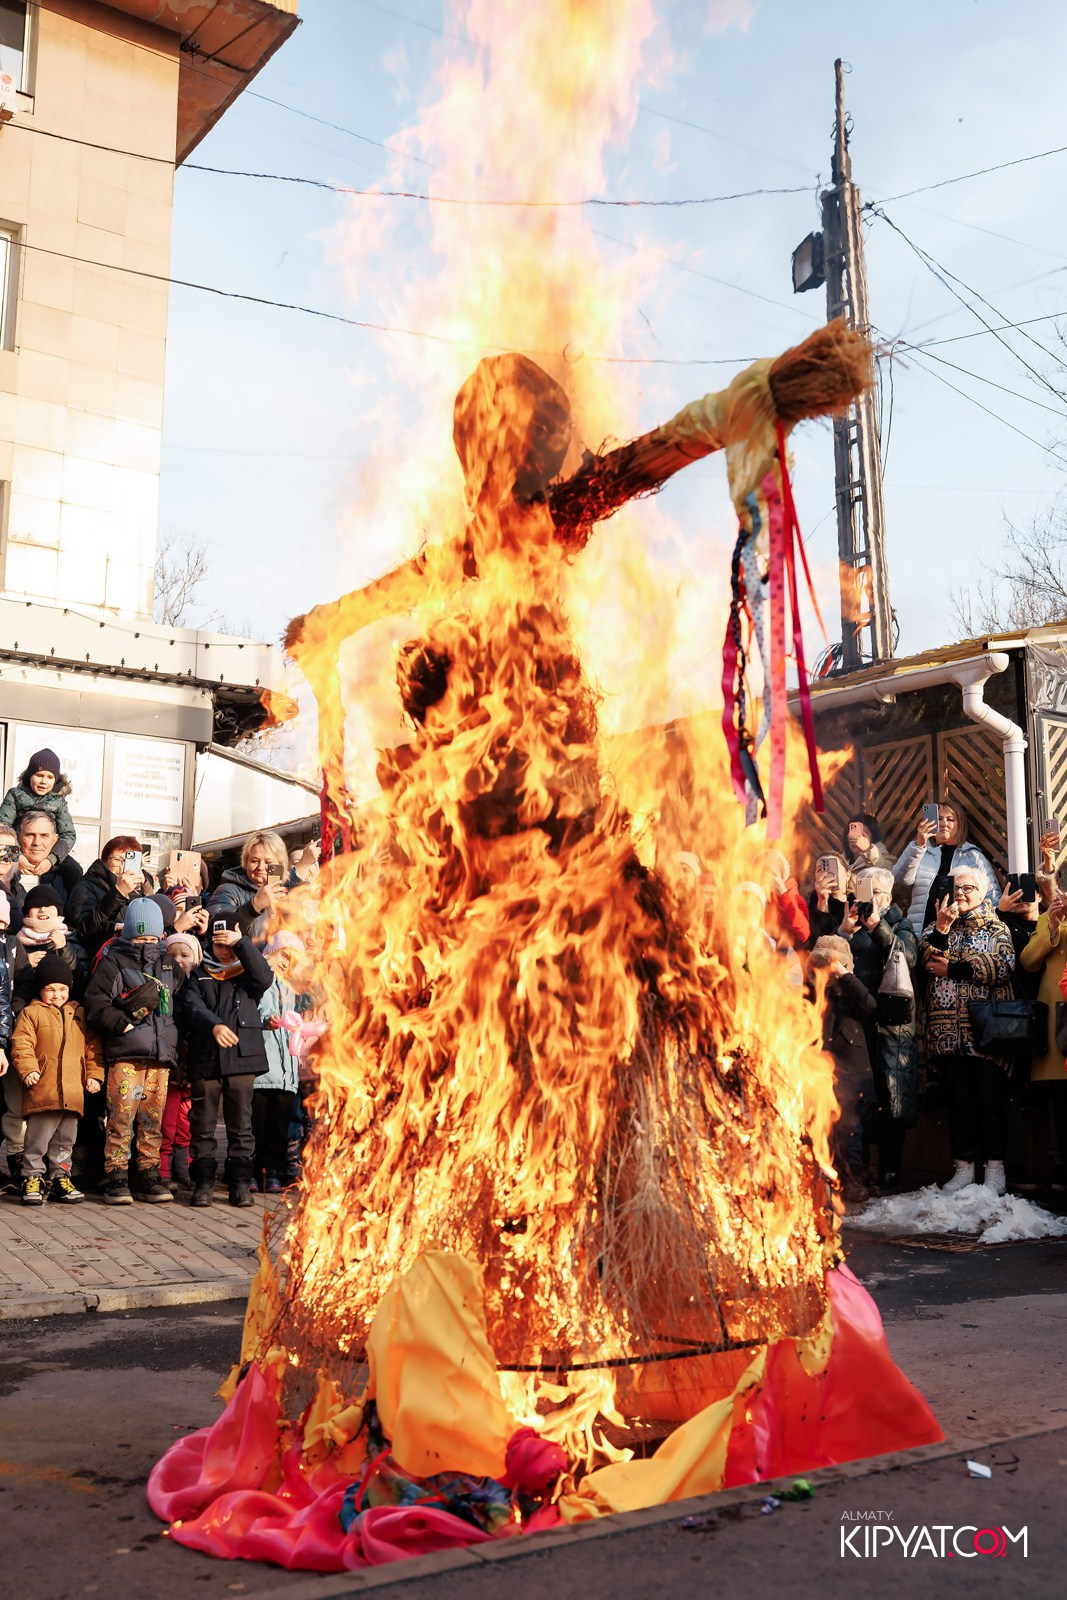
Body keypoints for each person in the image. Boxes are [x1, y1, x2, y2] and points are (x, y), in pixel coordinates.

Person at [919, 866, 1016, 1194]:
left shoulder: (996, 927)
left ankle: (995, 1171)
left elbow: (1002, 966)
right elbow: (929, 962)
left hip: (985, 1033)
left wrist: (956, 968)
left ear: (983, 892)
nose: (961, 893)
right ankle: (963, 1170)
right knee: (958, 1104)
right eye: (956, 888)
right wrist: (943, 931)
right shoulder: (936, 927)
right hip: (947, 1035)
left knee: (989, 1104)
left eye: (968, 888)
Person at [84, 897, 183, 1205]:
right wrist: (122, 1024)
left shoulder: (168, 963)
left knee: (152, 1116)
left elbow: (181, 1002)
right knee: (121, 1115)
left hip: (160, 1056)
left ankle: (149, 1172)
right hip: (125, 1054)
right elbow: (95, 1002)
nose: (145, 942)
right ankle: (116, 1173)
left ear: (161, 935)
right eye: (139, 936)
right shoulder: (114, 960)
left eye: (151, 937)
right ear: (127, 934)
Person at [179, 909, 275, 1208]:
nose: (223, 952)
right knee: (203, 1124)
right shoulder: (198, 973)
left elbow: (265, 978)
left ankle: (239, 1183)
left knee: (240, 1125)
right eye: (218, 945)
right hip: (206, 1058)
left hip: (242, 1058)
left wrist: (242, 944)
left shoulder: (248, 971)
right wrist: (214, 1025)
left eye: (229, 945)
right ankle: (204, 1182)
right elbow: (190, 1006)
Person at [839, 866, 919, 1193]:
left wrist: (876, 925)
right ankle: (861, 1169)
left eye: (872, 892)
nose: (865, 899)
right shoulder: (852, 924)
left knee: (892, 1098)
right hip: (857, 1023)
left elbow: (906, 957)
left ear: (886, 896)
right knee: (861, 1096)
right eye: (861, 891)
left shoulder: (900, 924)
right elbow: (828, 959)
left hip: (892, 1025)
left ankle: (890, 1171)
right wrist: (844, 931)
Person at [10, 954, 103, 1205]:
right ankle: (32, 1176)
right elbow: (21, 1044)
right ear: (40, 989)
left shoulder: (79, 1013)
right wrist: (28, 1069)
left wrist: (94, 1075)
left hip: (72, 1092)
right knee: (37, 1140)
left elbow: (92, 1048)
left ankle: (61, 1176)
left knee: (65, 1140)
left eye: (62, 989)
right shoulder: (31, 1013)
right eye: (50, 989)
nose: (56, 995)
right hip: (44, 1089)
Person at [808, 934, 877, 1200]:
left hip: (852, 1074)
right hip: (820, 1072)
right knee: (823, 1128)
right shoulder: (813, 990)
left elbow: (869, 1005)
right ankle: (825, 1181)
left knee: (852, 1131)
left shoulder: (852, 989)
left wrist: (843, 973)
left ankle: (854, 1182)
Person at [894, 800, 998, 937]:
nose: (943, 824)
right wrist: (919, 845)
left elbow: (993, 899)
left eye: (950, 819)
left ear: (959, 825)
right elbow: (900, 878)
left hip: (960, 937)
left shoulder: (973, 856)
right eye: (938, 819)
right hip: (921, 934)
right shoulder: (922, 852)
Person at [1021, 887, 1067, 1193]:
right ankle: (1062, 1168)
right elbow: (1028, 961)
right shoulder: (1049, 920)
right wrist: (1051, 927)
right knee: (1061, 1102)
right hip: (1058, 1020)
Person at [252, 941, 301, 1193]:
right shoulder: (261, 980)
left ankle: (273, 1171)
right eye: (283, 955)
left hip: (286, 1071)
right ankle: (254, 1170)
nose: (285, 962)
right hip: (263, 1068)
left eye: (291, 959)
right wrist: (267, 1018)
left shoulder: (294, 988)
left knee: (279, 1126)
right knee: (257, 1123)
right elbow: (261, 1006)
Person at [208, 831, 314, 936]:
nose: (260, 867)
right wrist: (255, 905)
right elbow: (215, 923)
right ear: (246, 862)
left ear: (280, 865)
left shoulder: (288, 891)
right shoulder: (228, 890)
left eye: (268, 862)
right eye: (254, 861)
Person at [159, 930, 201, 1191]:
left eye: (185, 955)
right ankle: (163, 1170)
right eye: (172, 955)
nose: (179, 960)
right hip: (171, 1067)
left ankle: (183, 1168)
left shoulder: (198, 986)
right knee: (167, 1121)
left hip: (192, 1067)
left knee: (187, 1122)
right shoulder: (164, 988)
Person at [66, 837, 151, 962]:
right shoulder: (86, 887)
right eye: (117, 860)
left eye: (128, 861)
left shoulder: (136, 890)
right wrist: (118, 893)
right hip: (98, 960)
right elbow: (84, 930)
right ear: (104, 860)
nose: (122, 868)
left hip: (131, 960)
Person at [11, 886, 88, 1012]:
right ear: (27, 911)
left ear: (58, 910)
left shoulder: (72, 940)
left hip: (66, 1016)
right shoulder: (15, 943)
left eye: (49, 905)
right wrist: (24, 965)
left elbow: (83, 983)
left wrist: (64, 950)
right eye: (36, 906)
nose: (42, 910)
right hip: (27, 1016)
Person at [0, 749, 77, 866]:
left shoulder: (59, 802)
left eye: (49, 777)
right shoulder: (15, 795)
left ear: (55, 780)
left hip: (48, 853)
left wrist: (51, 860)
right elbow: (3, 827)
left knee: (74, 869)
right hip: (17, 850)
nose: (43, 781)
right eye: (39, 775)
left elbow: (69, 834)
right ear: (29, 776)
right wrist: (17, 857)